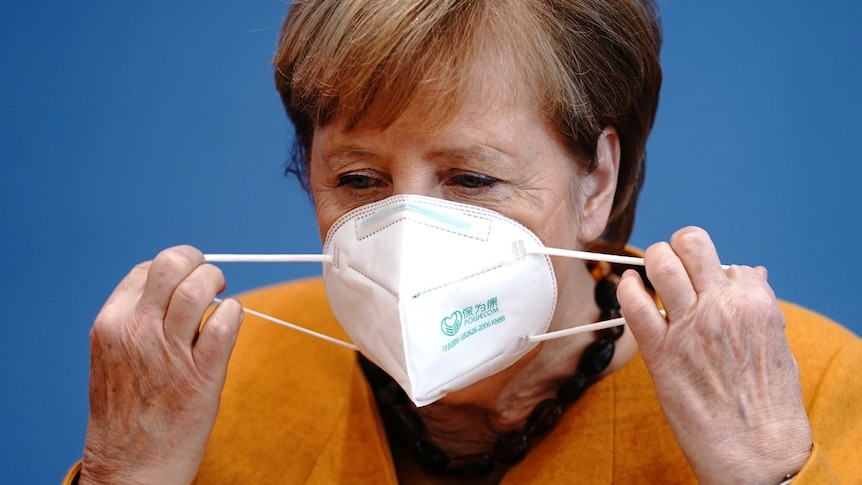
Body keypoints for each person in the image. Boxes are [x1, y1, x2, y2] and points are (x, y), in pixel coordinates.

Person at [64, 0, 862, 483]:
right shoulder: (205, 385)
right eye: (359, 181)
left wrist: (769, 473)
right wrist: (123, 473)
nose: (408, 235)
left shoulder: (804, 387)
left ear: (597, 182)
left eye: (471, 179)